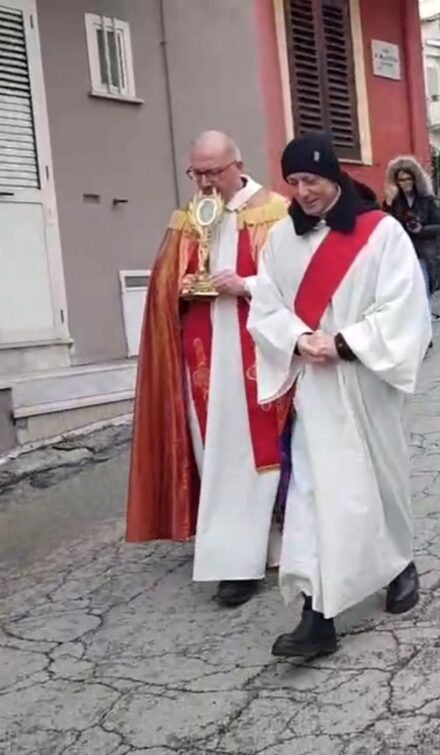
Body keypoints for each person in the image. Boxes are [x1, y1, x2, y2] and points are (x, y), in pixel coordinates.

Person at [248, 131, 432, 658]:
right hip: (316, 386)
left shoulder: (381, 234)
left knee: (379, 480)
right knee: (314, 494)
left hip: (367, 380)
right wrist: (298, 338)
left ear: (334, 176)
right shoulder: (281, 239)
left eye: (312, 180)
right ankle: (318, 611)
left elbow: (403, 306)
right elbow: (267, 307)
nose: (303, 192)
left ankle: (397, 564)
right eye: (294, 182)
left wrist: (346, 343)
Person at [125, 131, 290, 608]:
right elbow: (165, 288)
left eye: (213, 172)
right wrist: (186, 285)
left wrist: (246, 284)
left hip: (254, 351)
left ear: (237, 164)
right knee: (213, 451)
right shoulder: (189, 218)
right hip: (202, 356)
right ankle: (232, 556)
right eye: (196, 173)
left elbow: (294, 280)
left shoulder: (273, 213)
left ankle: (269, 547)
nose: (204, 181)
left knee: (257, 455)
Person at [384, 156, 440, 320]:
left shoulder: (427, 200)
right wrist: (389, 203)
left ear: (415, 179)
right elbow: (386, 224)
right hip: (402, 251)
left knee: (425, 288)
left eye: (408, 179)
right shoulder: (395, 201)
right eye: (401, 180)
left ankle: (426, 328)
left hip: (425, 251)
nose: (405, 183)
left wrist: (422, 229)